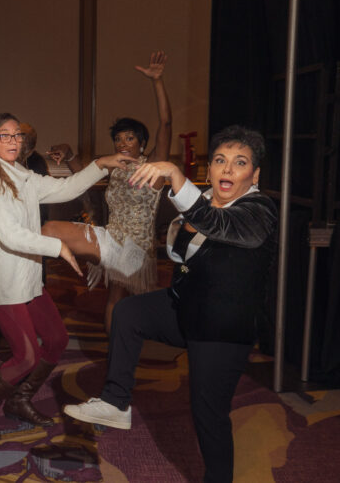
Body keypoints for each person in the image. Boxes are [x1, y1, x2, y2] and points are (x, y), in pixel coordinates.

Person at [64, 126, 277, 483]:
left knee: (208, 416)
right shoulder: (205, 200)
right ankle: (116, 402)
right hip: (186, 309)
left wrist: (177, 177)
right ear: (209, 169)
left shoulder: (258, 210)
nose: (227, 169)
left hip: (221, 330)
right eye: (220, 161)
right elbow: (180, 252)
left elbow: (219, 225)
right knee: (129, 312)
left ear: (254, 175)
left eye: (239, 163)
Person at [0, 112, 135, 441]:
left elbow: (67, 188)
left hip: (26, 277)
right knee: (25, 355)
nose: (13, 141)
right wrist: (59, 246)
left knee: (55, 340)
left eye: (17, 135)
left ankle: (18, 399)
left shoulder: (21, 174)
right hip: (3, 281)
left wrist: (101, 163)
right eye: (4, 135)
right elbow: (9, 234)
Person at [44, 51, 172, 332]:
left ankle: (143, 344)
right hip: (113, 241)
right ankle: (118, 352)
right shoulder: (114, 168)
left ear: (142, 143)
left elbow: (165, 124)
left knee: (139, 304)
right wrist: (67, 154)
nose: (122, 143)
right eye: (118, 138)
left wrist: (158, 82)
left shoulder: (153, 167)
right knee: (115, 298)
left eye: (129, 138)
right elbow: (82, 175)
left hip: (136, 249)